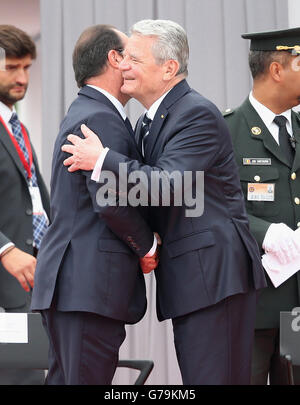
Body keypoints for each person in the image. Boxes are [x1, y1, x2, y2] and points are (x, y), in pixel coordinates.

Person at [61, 19, 267, 385]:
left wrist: (103, 160)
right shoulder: (147, 123)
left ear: (169, 67)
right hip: (193, 280)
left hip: (214, 278)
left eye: (134, 59)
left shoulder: (196, 113)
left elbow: (172, 185)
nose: (123, 65)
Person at [31, 25, 159, 385]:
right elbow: (112, 200)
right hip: (86, 287)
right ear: (114, 59)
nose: (135, 65)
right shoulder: (101, 117)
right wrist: (147, 244)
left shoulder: (89, 110)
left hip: (74, 286)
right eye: (131, 56)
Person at [223, 27, 300, 385]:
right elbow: (214, 205)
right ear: (277, 69)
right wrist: (264, 231)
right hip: (253, 302)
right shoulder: (227, 131)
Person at [0, 25, 49, 385]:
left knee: (29, 374)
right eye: (12, 67)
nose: (21, 77)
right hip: (7, 279)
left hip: (31, 277)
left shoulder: (16, 124)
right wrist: (5, 249)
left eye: (27, 67)